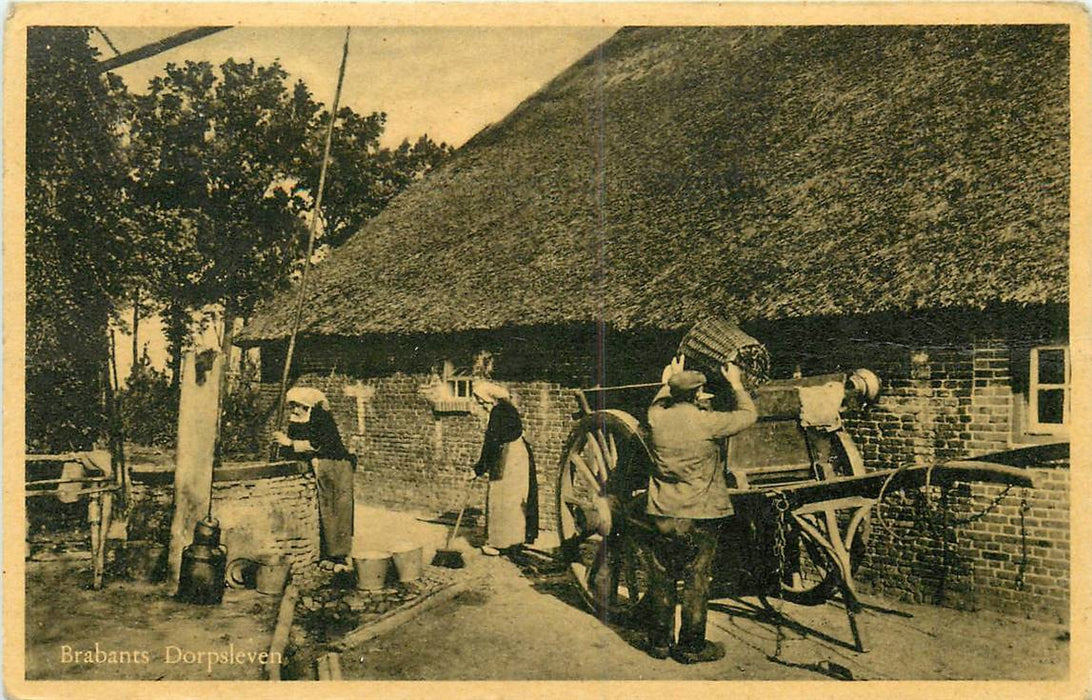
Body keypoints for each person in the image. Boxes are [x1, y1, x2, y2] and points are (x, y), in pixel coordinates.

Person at [643, 356, 757, 663]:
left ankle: (659, 644)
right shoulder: (709, 422)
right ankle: (691, 647)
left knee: (662, 577)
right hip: (701, 515)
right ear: (699, 395)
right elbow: (749, 414)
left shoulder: (656, 418)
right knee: (697, 579)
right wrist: (735, 383)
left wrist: (669, 379)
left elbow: (659, 402)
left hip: (663, 512)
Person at [273, 387, 354, 570]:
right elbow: (293, 445)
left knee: (337, 509)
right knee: (325, 511)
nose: (293, 410)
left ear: (305, 405)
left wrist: (290, 443)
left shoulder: (321, 418)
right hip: (320, 467)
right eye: (291, 406)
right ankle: (328, 554)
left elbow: (319, 444)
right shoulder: (297, 419)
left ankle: (339, 556)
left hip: (335, 465)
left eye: (296, 405)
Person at [469, 381, 539, 557]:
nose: (480, 403)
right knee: (516, 499)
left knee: (500, 498)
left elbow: (491, 442)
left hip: (508, 458)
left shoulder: (498, 412)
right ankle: (516, 540)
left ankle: (498, 543)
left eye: (481, 400)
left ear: (490, 398)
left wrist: (478, 468)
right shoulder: (508, 408)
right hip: (519, 455)